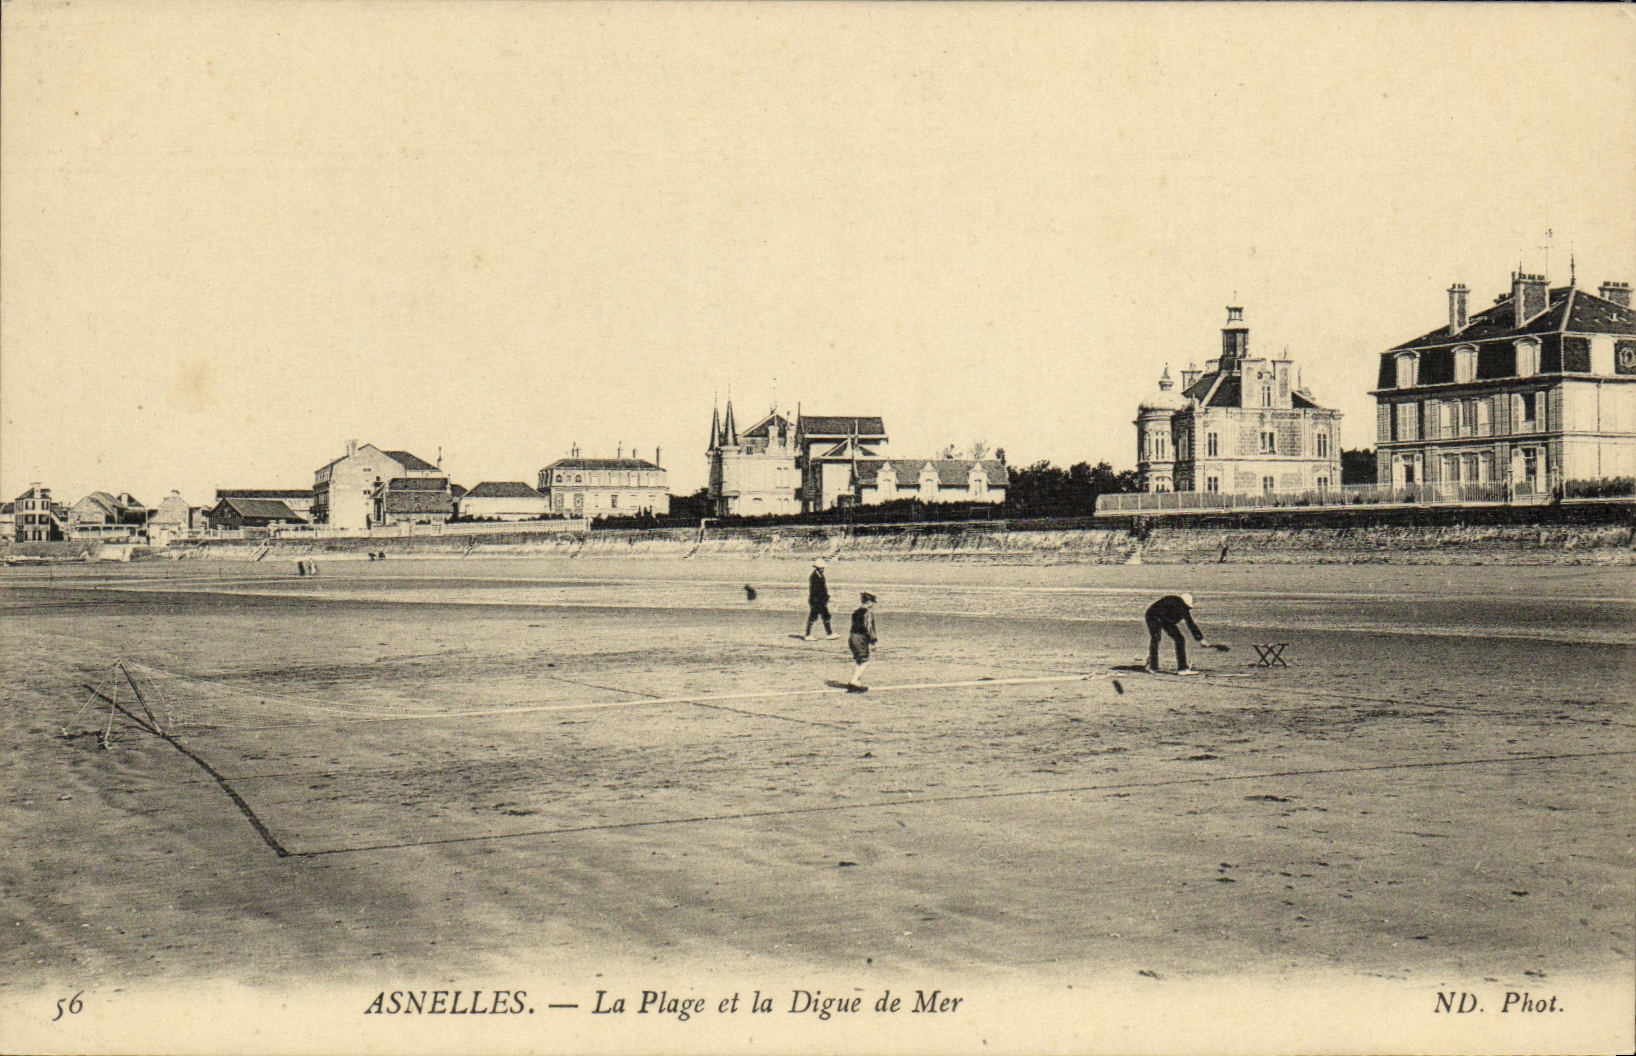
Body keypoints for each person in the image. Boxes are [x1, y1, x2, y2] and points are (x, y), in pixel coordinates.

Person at [1145, 592, 1210, 674]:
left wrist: (1200, 638)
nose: (1188, 610)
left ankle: (1154, 666)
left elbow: (1188, 623)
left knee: (1178, 639)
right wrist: (1201, 639)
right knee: (1157, 638)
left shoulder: (1178, 603)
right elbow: (1190, 623)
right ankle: (1154, 667)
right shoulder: (1181, 606)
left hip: (1164, 618)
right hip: (1152, 616)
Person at [846, 592, 878, 692]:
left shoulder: (855, 612)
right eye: (872, 602)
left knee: (859, 661)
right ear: (868, 602)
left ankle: (857, 682)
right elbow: (869, 628)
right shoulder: (868, 613)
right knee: (865, 661)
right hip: (860, 639)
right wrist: (873, 641)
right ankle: (853, 681)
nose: (873, 604)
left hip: (852, 637)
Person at [803, 559, 837, 640]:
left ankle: (829, 633)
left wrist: (826, 597)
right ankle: (808, 635)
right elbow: (815, 591)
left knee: (825, 616)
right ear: (818, 568)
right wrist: (821, 599)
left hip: (821, 600)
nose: (823, 569)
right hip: (816, 601)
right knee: (813, 616)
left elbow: (823, 589)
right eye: (822, 568)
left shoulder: (821, 575)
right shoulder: (814, 577)